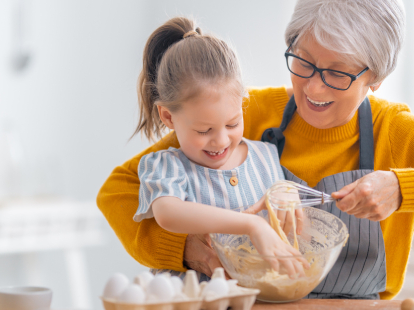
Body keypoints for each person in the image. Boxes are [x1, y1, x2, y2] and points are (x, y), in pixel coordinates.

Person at [98, 0, 414, 300]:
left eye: (337, 74)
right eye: (303, 62)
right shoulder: (246, 115)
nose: (313, 87)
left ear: (375, 78)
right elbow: (118, 191)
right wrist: (185, 249)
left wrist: (403, 188)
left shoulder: (395, 133)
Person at [128, 16, 308, 282]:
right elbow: (169, 214)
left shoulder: (266, 156)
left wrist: (286, 192)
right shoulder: (165, 166)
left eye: (233, 123)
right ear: (168, 117)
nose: (221, 141)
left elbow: (288, 223)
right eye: (204, 130)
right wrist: (251, 224)